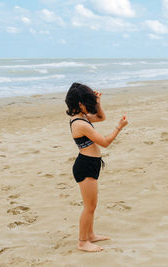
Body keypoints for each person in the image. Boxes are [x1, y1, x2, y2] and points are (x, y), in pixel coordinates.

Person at [65, 82, 128, 252]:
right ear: (80, 104)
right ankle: (82, 242)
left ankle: (90, 235)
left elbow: (100, 118)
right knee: (89, 206)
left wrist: (98, 103)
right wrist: (118, 128)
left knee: (92, 205)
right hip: (85, 166)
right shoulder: (80, 123)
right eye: (89, 104)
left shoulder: (82, 117)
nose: (92, 108)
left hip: (91, 164)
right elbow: (105, 142)